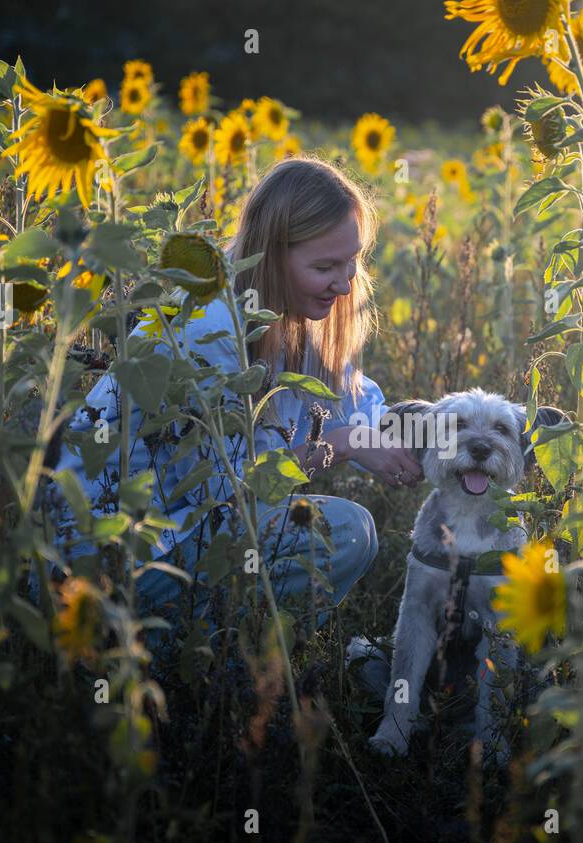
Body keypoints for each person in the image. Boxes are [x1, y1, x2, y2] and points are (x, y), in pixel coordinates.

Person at [44, 156, 423, 636]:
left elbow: (363, 406)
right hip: (107, 564)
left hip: (178, 542)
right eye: (325, 265)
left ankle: (231, 671)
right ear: (272, 254)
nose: (346, 283)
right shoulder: (209, 328)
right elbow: (224, 494)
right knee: (342, 531)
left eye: (352, 261)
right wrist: (342, 442)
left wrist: (450, 435)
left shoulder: (295, 317)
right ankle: (209, 668)